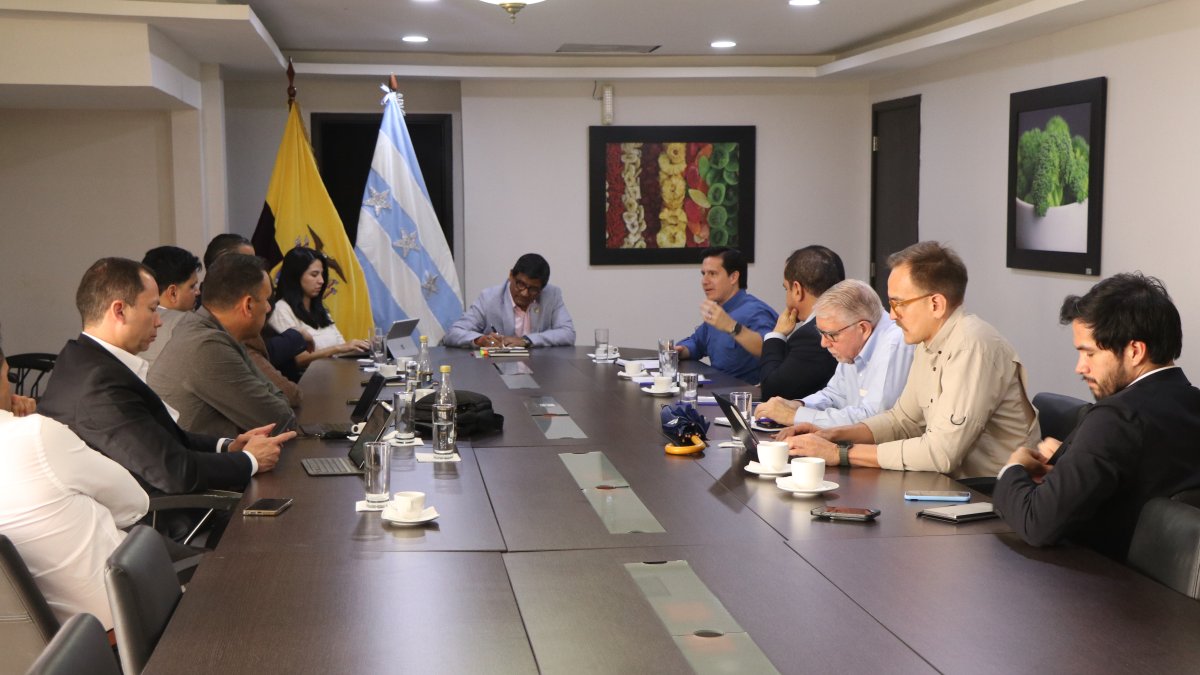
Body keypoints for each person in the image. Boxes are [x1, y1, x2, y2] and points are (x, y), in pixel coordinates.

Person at [39, 257, 291, 497]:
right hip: (158, 515)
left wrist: (228, 446)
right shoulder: (100, 385)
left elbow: (164, 439)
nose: (159, 321)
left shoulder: (82, 359)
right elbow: (174, 472)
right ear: (120, 311)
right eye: (152, 309)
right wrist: (250, 460)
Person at [785, 241, 1039, 478]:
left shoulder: (972, 345)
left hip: (989, 492)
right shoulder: (928, 343)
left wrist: (840, 453)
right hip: (947, 484)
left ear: (936, 304)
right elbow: (902, 420)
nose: (892, 316)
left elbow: (941, 453)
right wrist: (831, 434)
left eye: (899, 304)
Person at [993, 273, 1200, 561]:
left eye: (1089, 354)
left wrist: (1012, 469)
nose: (1080, 367)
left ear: (1135, 351)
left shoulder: (1116, 417)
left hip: (1102, 579)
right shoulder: (1191, 403)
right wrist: (1072, 462)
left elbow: (1037, 523)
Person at [0, 332, 148, 632]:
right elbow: (135, 502)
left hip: (58, 646)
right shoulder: (36, 435)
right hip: (127, 619)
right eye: (7, 377)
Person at [148, 253, 295, 438]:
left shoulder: (205, 330)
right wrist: (276, 403)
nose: (268, 308)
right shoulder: (207, 346)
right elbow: (280, 420)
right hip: (197, 456)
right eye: (266, 299)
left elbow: (279, 407)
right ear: (248, 305)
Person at [755, 279, 913, 428]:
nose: (823, 343)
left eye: (830, 335)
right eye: (821, 333)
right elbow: (835, 395)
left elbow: (874, 420)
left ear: (863, 328)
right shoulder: (854, 344)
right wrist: (798, 405)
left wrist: (795, 416)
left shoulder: (894, 344)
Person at [675, 247, 777, 382]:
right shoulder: (719, 310)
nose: (704, 281)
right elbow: (697, 342)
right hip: (715, 388)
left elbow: (770, 350)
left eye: (712, 274)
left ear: (733, 277)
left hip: (745, 392)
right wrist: (681, 350)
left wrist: (731, 326)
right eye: (703, 274)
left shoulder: (756, 311)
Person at [757, 245, 843, 400]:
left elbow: (772, 391)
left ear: (797, 290)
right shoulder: (845, 321)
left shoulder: (812, 336)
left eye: (786, 289)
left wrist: (777, 335)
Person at [443, 253, 576, 348]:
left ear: (542, 289)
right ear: (511, 275)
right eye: (520, 284)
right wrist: (479, 340)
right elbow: (453, 333)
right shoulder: (489, 297)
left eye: (533, 289)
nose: (524, 293)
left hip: (540, 367)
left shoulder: (552, 295)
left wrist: (527, 340)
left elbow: (568, 333)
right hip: (496, 369)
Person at [267, 246, 370, 364]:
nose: (321, 280)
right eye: (314, 275)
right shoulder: (282, 309)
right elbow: (299, 359)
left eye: (322, 274)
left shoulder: (319, 309)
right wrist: (338, 349)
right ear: (296, 276)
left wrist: (364, 346)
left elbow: (342, 347)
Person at [139, 245, 201, 366]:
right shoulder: (189, 323)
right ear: (173, 293)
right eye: (192, 286)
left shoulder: (129, 322)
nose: (198, 292)